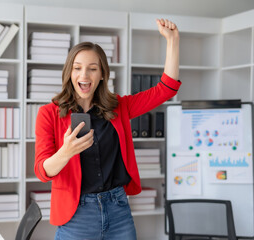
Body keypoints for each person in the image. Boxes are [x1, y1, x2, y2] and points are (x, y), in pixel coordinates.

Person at [34, 18, 181, 240]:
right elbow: (42, 171)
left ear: (102, 74)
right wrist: (66, 152)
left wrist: (172, 41)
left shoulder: (119, 107)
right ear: (69, 73)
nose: (84, 75)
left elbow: (166, 89)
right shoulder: (49, 113)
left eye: (92, 69)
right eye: (77, 68)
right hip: (76, 216)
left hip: (118, 210)